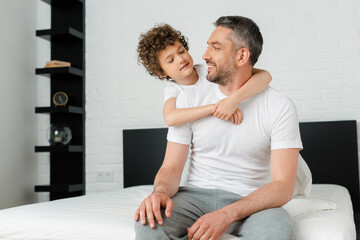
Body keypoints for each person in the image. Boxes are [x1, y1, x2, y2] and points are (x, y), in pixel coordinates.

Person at [134, 16, 302, 240]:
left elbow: (283, 187)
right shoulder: (185, 97)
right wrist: (160, 192)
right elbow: (171, 168)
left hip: (252, 201)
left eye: (215, 47)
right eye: (207, 46)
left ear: (242, 55)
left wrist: (226, 214)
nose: (204, 56)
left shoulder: (279, 106)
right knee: (149, 225)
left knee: (277, 232)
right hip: (194, 196)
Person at [137, 24, 272, 126]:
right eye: (171, 60)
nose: (181, 59)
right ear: (161, 72)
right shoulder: (174, 89)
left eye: (181, 51)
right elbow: (170, 118)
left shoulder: (209, 69)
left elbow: (265, 77)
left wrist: (233, 101)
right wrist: (215, 108)